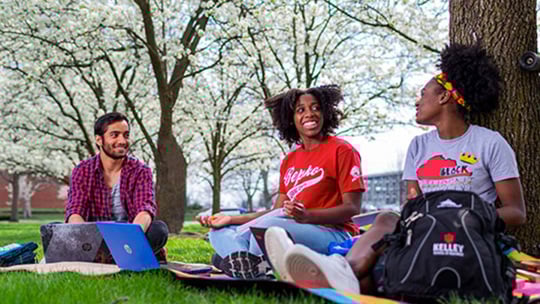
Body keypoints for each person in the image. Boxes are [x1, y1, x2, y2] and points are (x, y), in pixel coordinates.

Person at [265, 43, 527, 294]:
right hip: (424, 230)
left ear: (445, 96)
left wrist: (465, 217)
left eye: (423, 94)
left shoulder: (490, 142)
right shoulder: (418, 146)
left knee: (385, 231)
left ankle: (338, 272)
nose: (417, 101)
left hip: (467, 234)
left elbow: (516, 212)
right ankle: (340, 272)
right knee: (386, 221)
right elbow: (412, 204)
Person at [197, 85, 365, 279]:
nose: (309, 114)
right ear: (291, 119)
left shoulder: (342, 151)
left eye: (316, 107)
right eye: (300, 110)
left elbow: (352, 207)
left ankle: (240, 262)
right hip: (284, 227)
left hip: (331, 233)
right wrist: (230, 220)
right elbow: (276, 211)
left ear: (326, 112)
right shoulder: (290, 160)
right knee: (218, 232)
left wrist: (307, 216)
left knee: (266, 229)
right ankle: (253, 266)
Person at [65, 112, 169, 261]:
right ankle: (118, 258)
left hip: (131, 237)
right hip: (94, 238)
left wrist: (130, 240)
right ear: (99, 140)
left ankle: (113, 257)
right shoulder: (82, 170)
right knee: (55, 229)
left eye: (126, 135)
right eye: (115, 135)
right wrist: (86, 240)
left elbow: (144, 211)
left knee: (159, 230)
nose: (122, 141)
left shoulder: (141, 171)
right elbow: (75, 211)